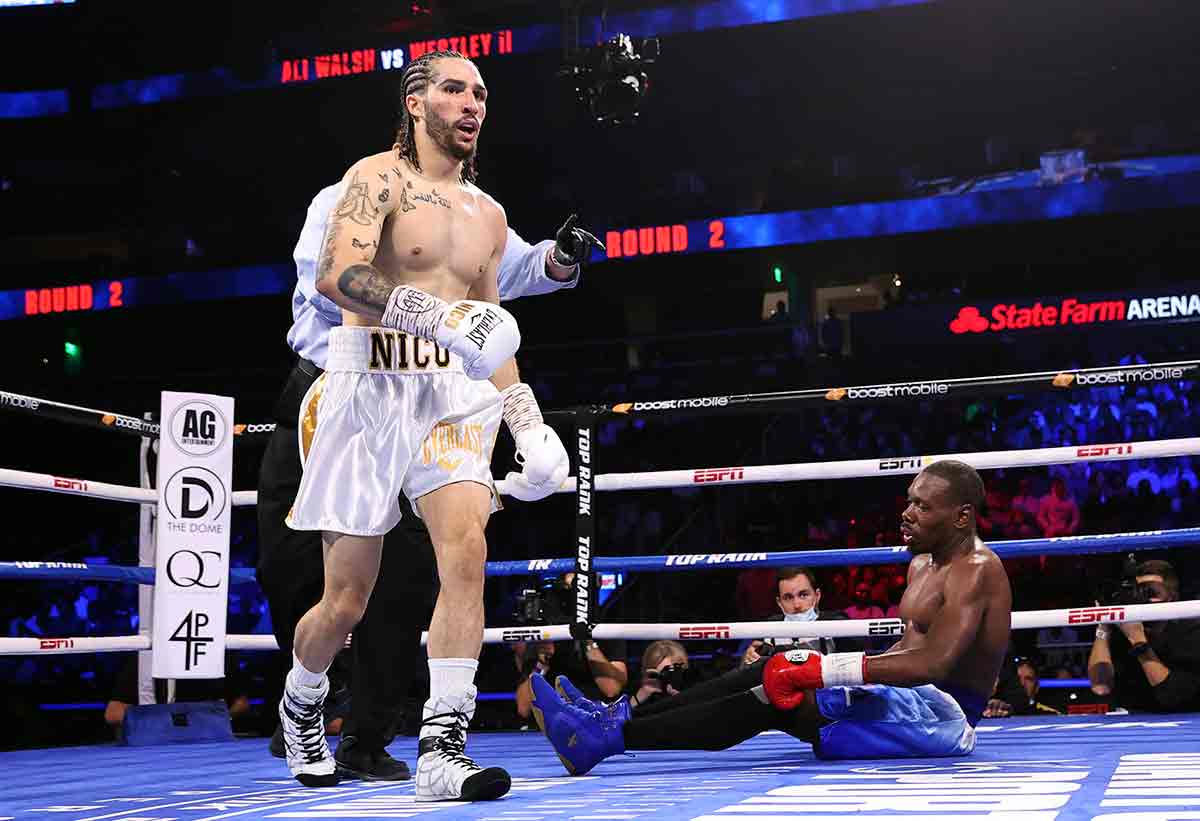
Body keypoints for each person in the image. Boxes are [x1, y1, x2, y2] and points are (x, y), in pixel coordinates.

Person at [277, 49, 571, 801]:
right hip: (365, 388)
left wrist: (526, 422)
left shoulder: (489, 215)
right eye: (453, 89)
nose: (472, 104)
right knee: (345, 601)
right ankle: (304, 696)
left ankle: (443, 747)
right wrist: (436, 315)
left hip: (446, 398)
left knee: (465, 552)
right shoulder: (374, 179)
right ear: (415, 102)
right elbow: (336, 274)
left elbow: (491, 332)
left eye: (480, 93)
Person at [530, 459, 1013, 773]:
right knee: (767, 669)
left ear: (962, 516)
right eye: (908, 500)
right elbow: (908, 652)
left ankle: (601, 741)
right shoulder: (923, 562)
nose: (906, 513)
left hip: (941, 721)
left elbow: (934, 665)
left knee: (774, 700)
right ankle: (619, 715)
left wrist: (828, 670)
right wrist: (839, 674)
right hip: (903, 700)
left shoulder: (976, 570)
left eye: (922, 506)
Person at [1087, 559, 1200, 712]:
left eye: (1151, 592)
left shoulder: (1191, 631)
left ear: (1172, 597)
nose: (1143, 599)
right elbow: (1100, 687)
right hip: (1133, 722)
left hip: (1183, 721)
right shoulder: (1125, 630)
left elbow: (1172, 697)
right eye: (1138, 591)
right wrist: (1104, 627)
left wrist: (1138, 641)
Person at [513, 574, 628, 723]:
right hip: (555, 723)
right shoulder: (545, 634)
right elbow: (523, 708)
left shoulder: (607, 630)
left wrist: (586, 640)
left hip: (596, 720)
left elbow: (611, 689)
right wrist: (542, 661)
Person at [740, 566, 853, 667]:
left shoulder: (836, 623)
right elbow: (744, 670)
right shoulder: (768, 628)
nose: (797, 605)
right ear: (779, 603)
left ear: (817, 596)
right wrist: (748, 658)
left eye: (803, 595)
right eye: (788, 598)